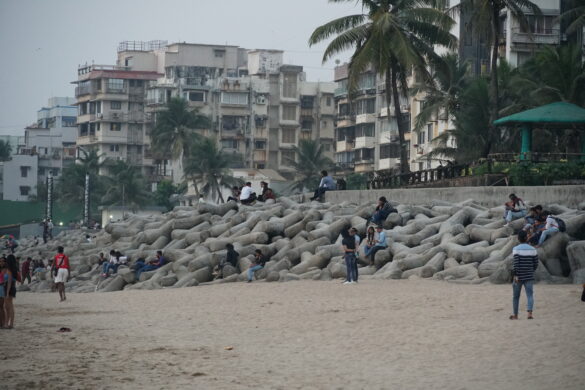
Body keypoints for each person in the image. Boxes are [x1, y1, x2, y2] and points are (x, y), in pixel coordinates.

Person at [510, 230, 539, 320]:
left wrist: (516, 275)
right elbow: (536, 263)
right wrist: (531, 270)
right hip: (529, 275)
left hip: (518, 276)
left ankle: (515, 315)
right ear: (527, 238)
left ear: (518, 238)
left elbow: (516, 263)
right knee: (530, 295)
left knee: (516, 296)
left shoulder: (516, 249)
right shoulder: (533, 249)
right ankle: (529, 314)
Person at [3, 254, 19, 328]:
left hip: (8, 288)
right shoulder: (14, 269)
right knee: (10, 306)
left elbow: (9, 281)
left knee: (7, 307)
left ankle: (7, 323)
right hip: (13, 287)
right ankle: (11, 323)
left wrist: (7, 292)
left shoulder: (9, 270)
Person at [0, 257, 6, 328]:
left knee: (1, 307)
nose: (1, 262)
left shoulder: (6, 270)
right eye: (0, 261)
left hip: (2, 288)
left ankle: (3, 323)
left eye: (3, 261)